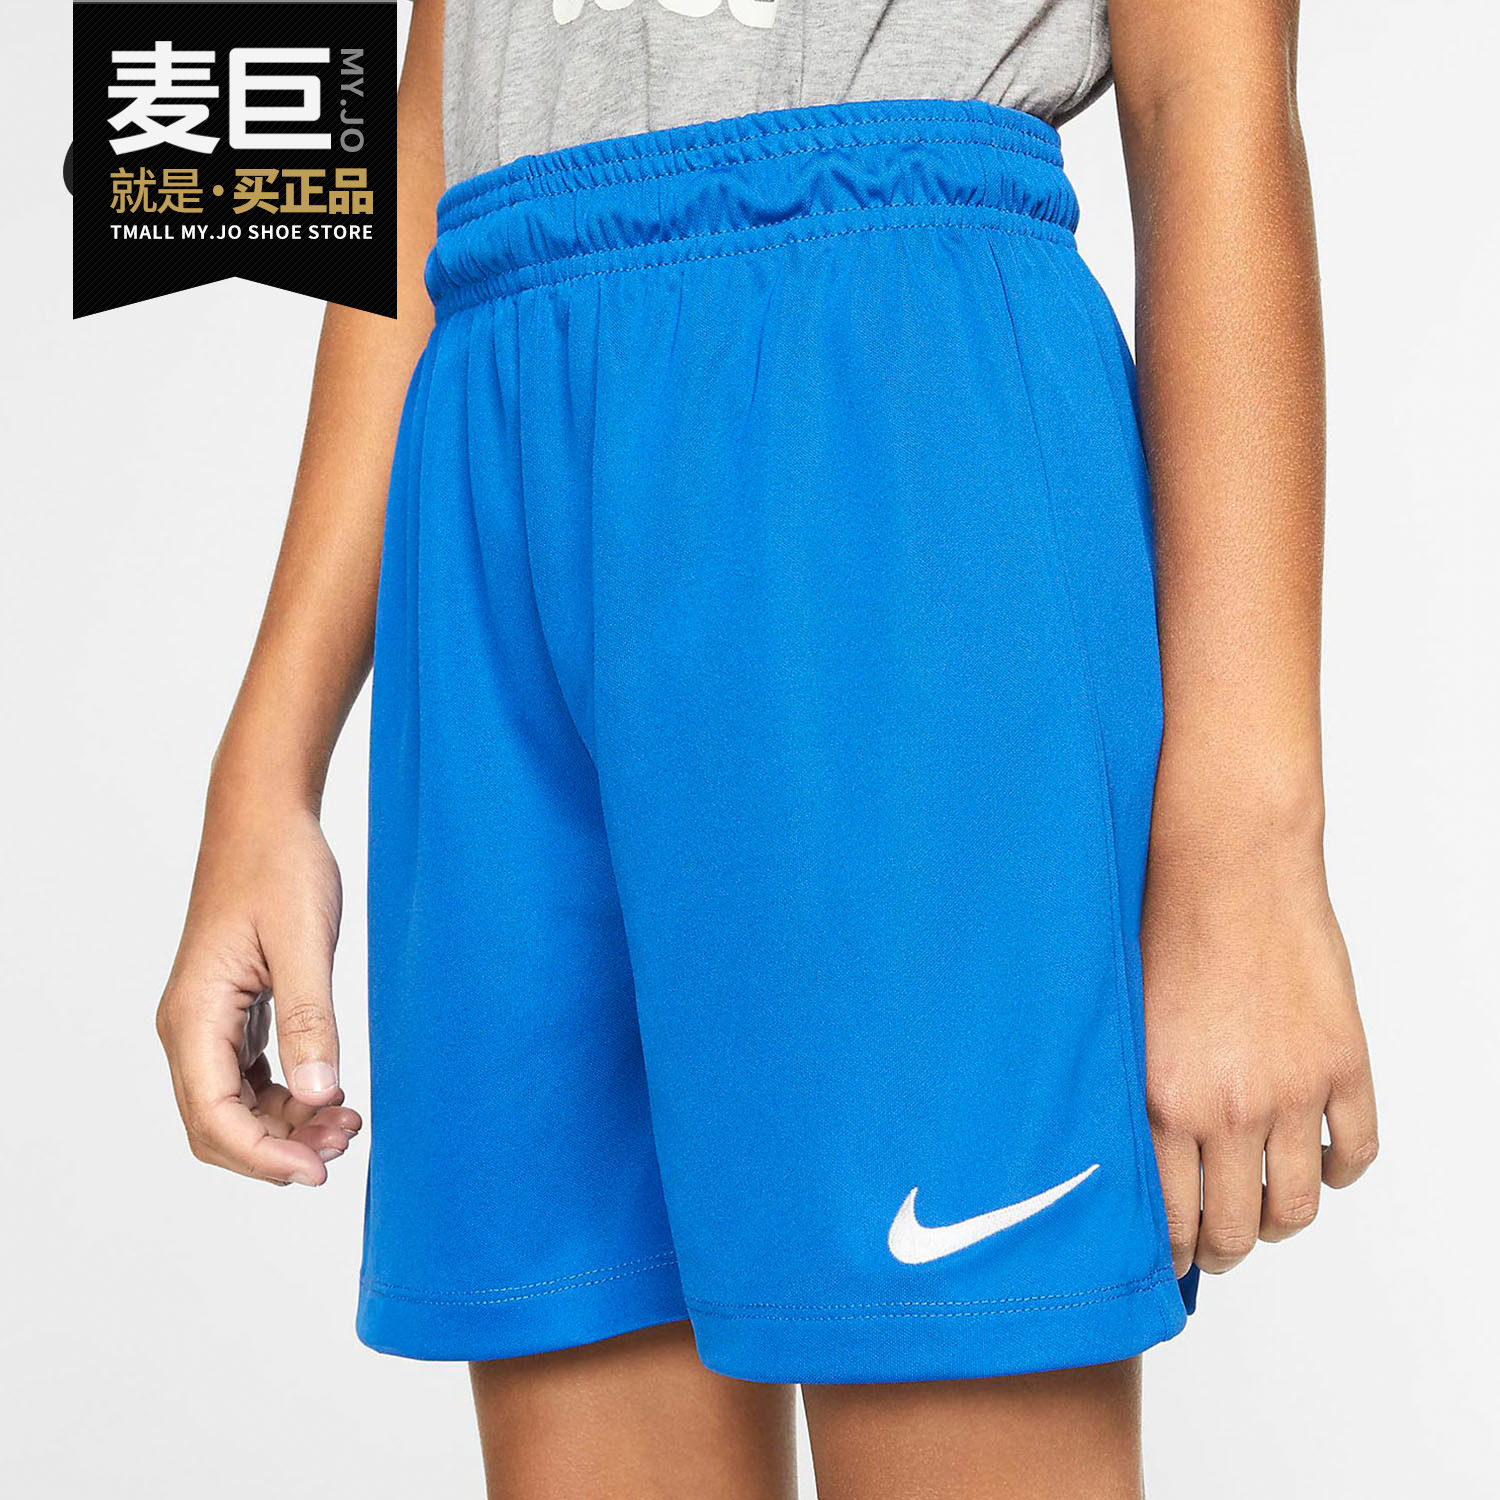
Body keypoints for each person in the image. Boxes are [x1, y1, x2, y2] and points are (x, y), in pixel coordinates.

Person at [155, 2, 1379, 1495]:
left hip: (876, 409)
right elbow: (428, 112)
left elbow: (1212, 99)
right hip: (489, 430)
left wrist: (1249, 844)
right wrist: (263, 769)